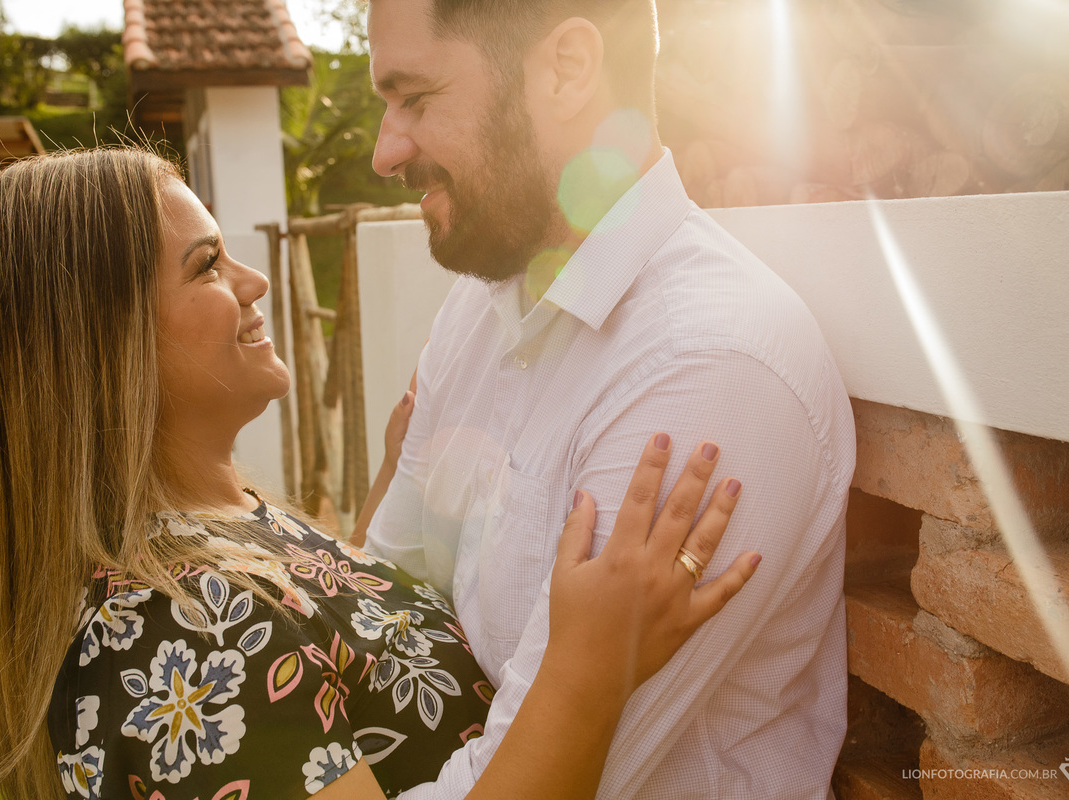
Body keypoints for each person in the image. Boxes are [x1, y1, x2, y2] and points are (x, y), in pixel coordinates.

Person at [0, 147, 760, 800]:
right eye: (206, 266)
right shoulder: (171, 633)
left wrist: (380, 512)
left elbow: (315, 680)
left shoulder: (216, 538)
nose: (252, 282)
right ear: (100, 350)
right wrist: (588, 670)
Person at [361, 1, 858, 797]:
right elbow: (384, 603)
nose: (386, 152)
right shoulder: (479, 306)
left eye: (415, 98)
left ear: (567, 69)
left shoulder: (706, 365)